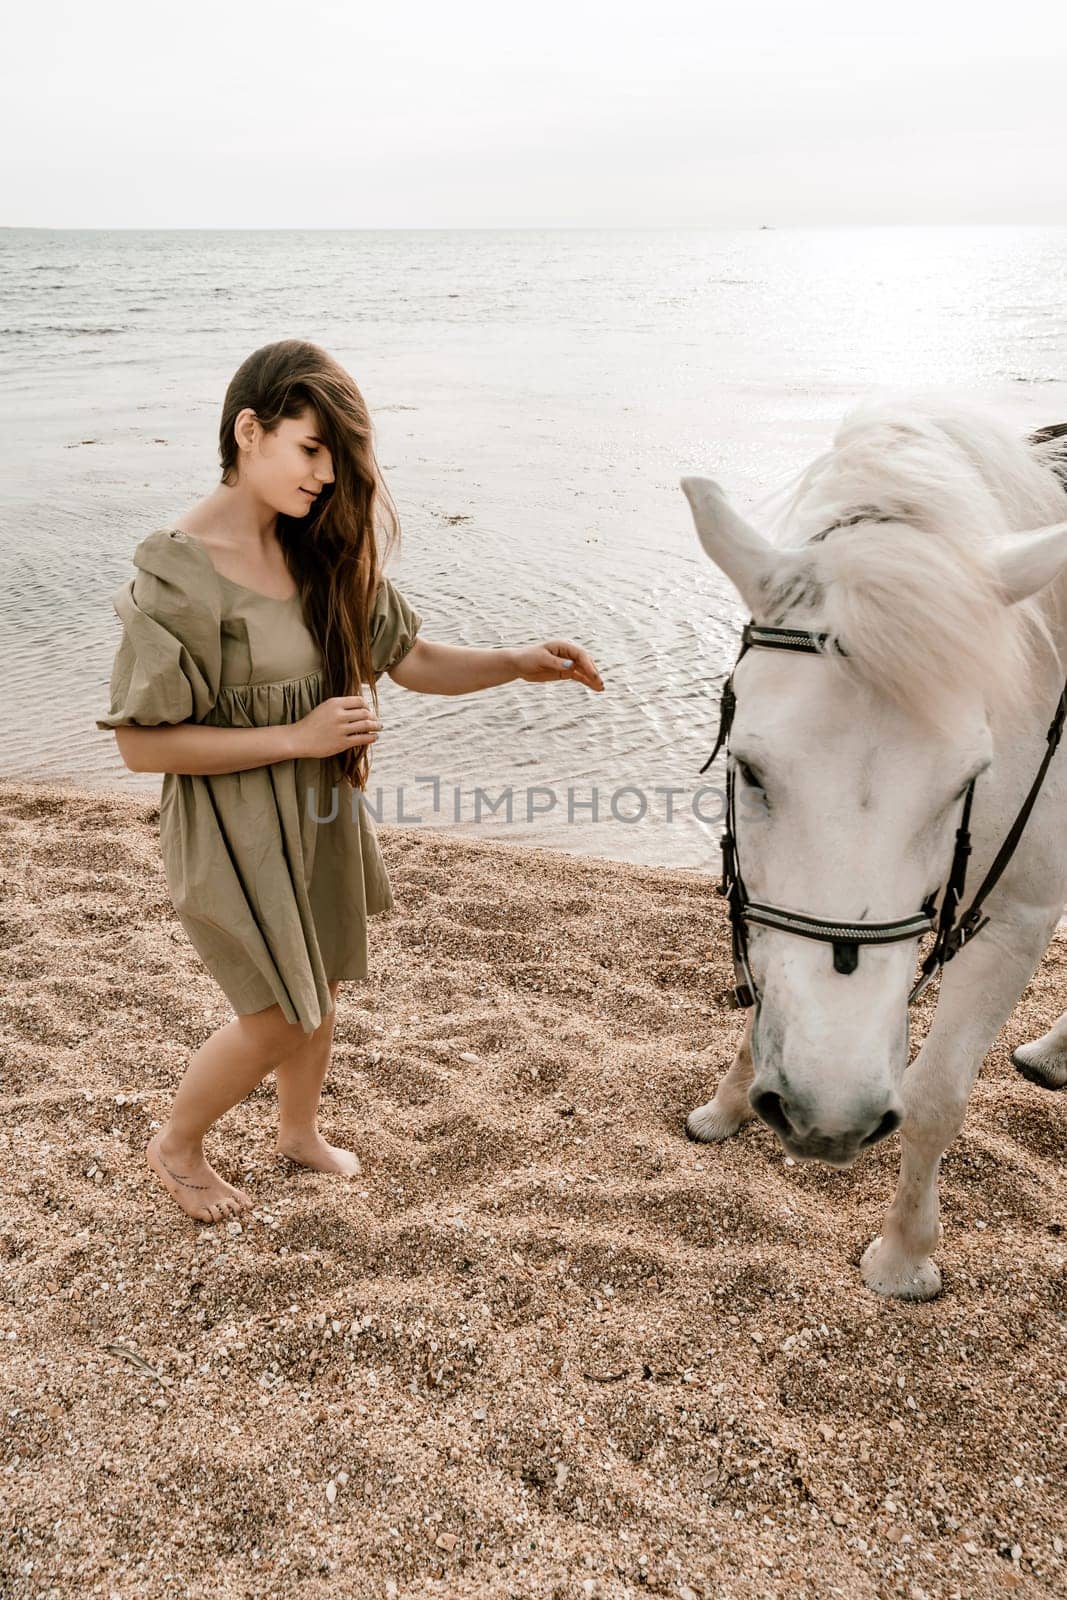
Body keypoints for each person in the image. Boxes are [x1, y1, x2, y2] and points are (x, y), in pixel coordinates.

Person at [95, 338, 604, 1225]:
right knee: (279, 1012)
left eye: (339, 457)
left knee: (320, 979)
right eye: (310, 449)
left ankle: (297, 1132)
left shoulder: (317, 550)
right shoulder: (178, 568)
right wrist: (298, 734)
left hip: (318, 810)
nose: (327, 476)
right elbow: (143, 748)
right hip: (230, 825)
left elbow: (411, 660)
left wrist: (518, 662)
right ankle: (175, 1145)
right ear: (248, 431)